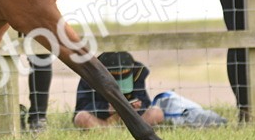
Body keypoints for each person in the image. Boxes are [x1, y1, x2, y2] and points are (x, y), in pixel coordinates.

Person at [73, 51, 227, 129]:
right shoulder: (88, 77)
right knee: (81, 118)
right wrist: (108, 108)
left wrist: (136, 107)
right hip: (103, 120)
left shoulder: (137, 74)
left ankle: (129, 131)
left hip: (132, 121)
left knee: (156, 112)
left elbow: (145, 102)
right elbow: (81, 107)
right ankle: (106, 132)